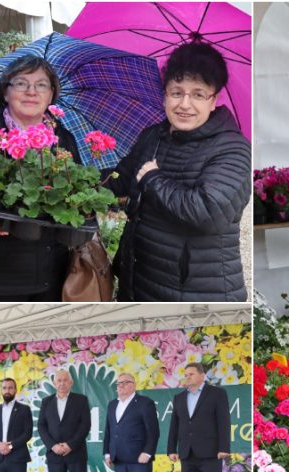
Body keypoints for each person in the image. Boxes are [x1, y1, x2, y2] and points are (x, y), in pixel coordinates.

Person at [109, 42, 250, 301]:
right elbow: (119, 180)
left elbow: (208, 213)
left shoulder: (233, 149)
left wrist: (153, 179)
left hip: (197, 293)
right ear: (165, 94)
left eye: (198, 94)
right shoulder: (153, 136)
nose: (185, 104)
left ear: (213, 100)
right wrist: (69, 178)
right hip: (140, 281)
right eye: (176, 92)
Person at [0, 55, 84, 302]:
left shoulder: (64, 139)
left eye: (41, 85)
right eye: (21, 83)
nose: (31, 92)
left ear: (51, 95)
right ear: (5, 92)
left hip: (51, 274)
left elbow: (76, 196)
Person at [37, 369, 93, 472]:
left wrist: (70, 445)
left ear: (71, 383)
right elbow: (41, 426)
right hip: (54, 454)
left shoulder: (81, 400)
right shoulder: (46, 402)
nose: (62, 383)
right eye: (59, 380)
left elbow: (85, 426)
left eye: (65, 380)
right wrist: (53, 446)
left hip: (75, 453)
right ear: (55, 383)